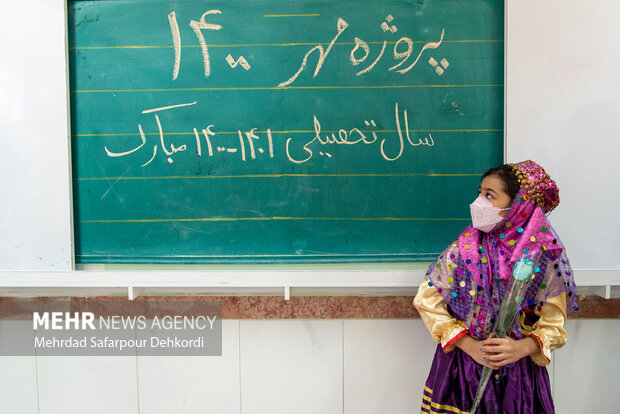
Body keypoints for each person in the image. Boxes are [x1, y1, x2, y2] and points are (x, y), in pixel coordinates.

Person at [413, 160, 578, 414]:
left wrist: (522, 348)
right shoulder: (463, 249)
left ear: (519, 206)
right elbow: (426, 301)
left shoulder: (542, 258)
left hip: (519, 378)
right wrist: (468, 345)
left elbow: (553, 323)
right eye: (480, 193)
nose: (480, 203)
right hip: (463, 371)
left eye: (490, 196)